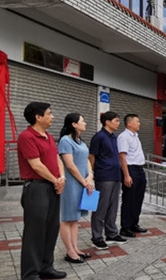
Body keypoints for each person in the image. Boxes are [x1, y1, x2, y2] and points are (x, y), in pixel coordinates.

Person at [16, 102, 66, 280]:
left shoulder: (49, 137)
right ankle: (30, 275)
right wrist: (55, 180)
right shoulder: (27, 137)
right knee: (34, 232)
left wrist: (61, 178)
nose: (52, 117)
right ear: (38, 117)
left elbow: (56, 159)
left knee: (51, 228)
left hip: (52, 186)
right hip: (36, 188)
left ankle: (46, 266)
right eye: (49, 113)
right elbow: (36, 165)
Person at [58, 114, 94, 264]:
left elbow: (86, 160)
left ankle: (75, 248)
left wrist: (90, 176)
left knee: (75, 218)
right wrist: (84, 181)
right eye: (82, 121)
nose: (85, 123)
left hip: (83, 183)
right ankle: (69, 251)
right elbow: (70, 165)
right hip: (72, 184)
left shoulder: (80, 141)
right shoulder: (65, 141)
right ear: (74, 124)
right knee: (67, 218)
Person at [89, 112, 127, 248]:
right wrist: (92, 174)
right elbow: (92, 156)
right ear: (107, 122)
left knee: (113, 206)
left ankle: (111, 233)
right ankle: (97, 236)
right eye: (116, 121)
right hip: (103, 176)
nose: (118, 123)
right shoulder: (99, 137)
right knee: (101, 207)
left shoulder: (113, 137)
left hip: (115, 176)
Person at [118, 114, 147, 237]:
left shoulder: (135, 136)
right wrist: (126, 175)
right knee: (129, 199)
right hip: (130, 169)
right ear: (129, 123)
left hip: (139, 169)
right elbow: (122, 157)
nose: (139, 123)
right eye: (137, 121)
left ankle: (134, 223)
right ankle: (125, 227)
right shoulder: (124, 137)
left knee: (138, 198)